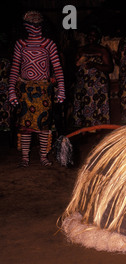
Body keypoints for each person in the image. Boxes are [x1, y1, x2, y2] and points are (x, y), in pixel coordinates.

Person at [8, 11, 65, 167]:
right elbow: (14, 68)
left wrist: (61, 89)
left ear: (42, 25)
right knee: (25, 125)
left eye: (37, 23)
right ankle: (25, 157)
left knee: (44, 125)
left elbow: (58, 68)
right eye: (31, 23)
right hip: (25, 89)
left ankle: (43, 157)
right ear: (25, 25)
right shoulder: (21, 44)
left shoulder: (49, 44)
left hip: (44, 89)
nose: (34, 26)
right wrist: (11, 91)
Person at [73, 25, 113, 128]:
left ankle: (97, 129)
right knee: (83, 105)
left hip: (98, 85)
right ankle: (85, 128)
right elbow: (75, 67)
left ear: (98, 38)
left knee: (97, 106)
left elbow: (109, 68)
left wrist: (95, 65)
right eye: (90, 35)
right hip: (83, 84)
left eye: (94, 36)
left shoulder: (102, 50)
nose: (92, 37)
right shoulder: (81, 50)